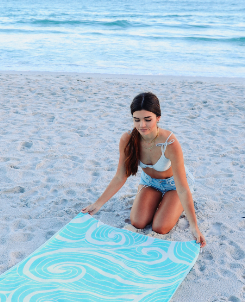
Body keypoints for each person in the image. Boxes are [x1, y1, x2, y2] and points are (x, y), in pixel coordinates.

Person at [82, 92, 206, 248]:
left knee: (160, 227)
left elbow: (182, 188)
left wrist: (194, 227)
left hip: (174, 186)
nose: (142, 125)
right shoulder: (127, 139)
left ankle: (172, 204)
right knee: (137, 222)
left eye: (148, 119)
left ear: (158, 117)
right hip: (149, 183)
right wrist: (97, 204)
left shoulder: (170, 142)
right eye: (137, 120)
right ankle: (159, 201)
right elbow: (121, 176)